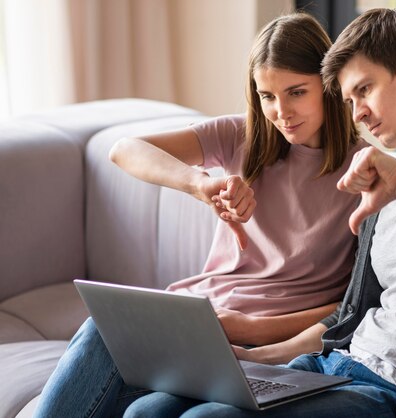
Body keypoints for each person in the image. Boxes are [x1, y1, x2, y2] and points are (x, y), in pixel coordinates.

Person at [124, 7, 396, 418]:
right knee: (149, 410)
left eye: (365, 90)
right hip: (328, 366)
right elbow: (349, 317)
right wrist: (254, 357)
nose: (359, 114)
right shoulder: (384, 180)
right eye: (349, 100)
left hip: (393, 392)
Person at [33, 12, 367, 418]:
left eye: (296, 92)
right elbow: (123, 149)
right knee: (100, 329)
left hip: (252, 344)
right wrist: (197, 183)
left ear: (328, 85)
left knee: (145, 406)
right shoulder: (241, 138)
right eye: (266, 96)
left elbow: (351, 305)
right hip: (191, 319)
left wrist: (247, 329)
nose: (281, 112)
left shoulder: (363, 172)